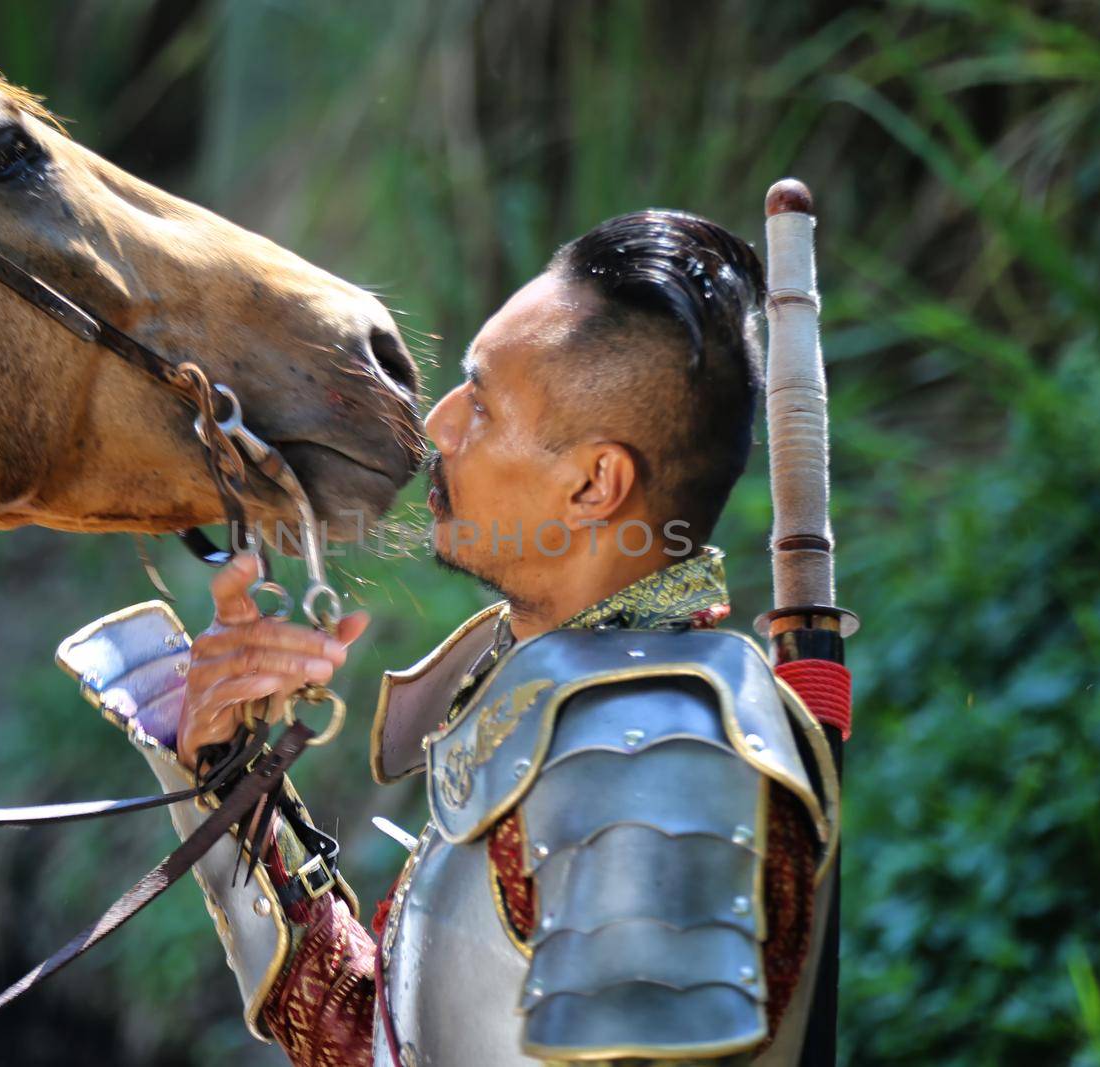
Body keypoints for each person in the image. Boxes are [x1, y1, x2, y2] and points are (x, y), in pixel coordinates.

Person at [83, 209, 838, 1066]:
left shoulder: (655, 758)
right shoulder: (555, 696)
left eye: (480, 403)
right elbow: (381, 1042)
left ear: (595, 482)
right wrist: (223, 760)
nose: (437, 423)